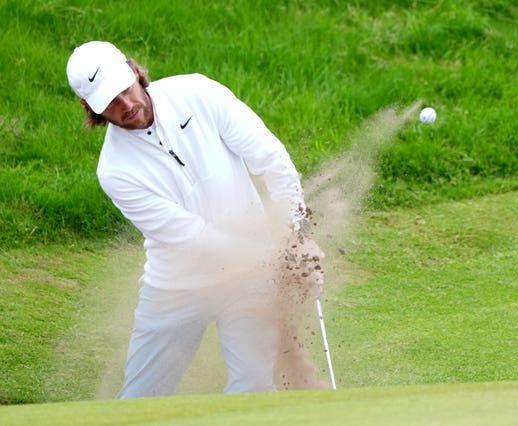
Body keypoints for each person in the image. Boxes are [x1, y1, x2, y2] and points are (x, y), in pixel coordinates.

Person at [66, 41, 325, 398]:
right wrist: (271, 259)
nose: (127, 106)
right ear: (89, 108)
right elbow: (192, 237)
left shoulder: (197, 93)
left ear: (133, 70)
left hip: (249, 282)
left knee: (252, 387)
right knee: (140, 400)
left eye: (124, 90)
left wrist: (298, 234)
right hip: (175, 290)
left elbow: (270, 158)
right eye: (110, 103)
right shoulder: (114, 171)